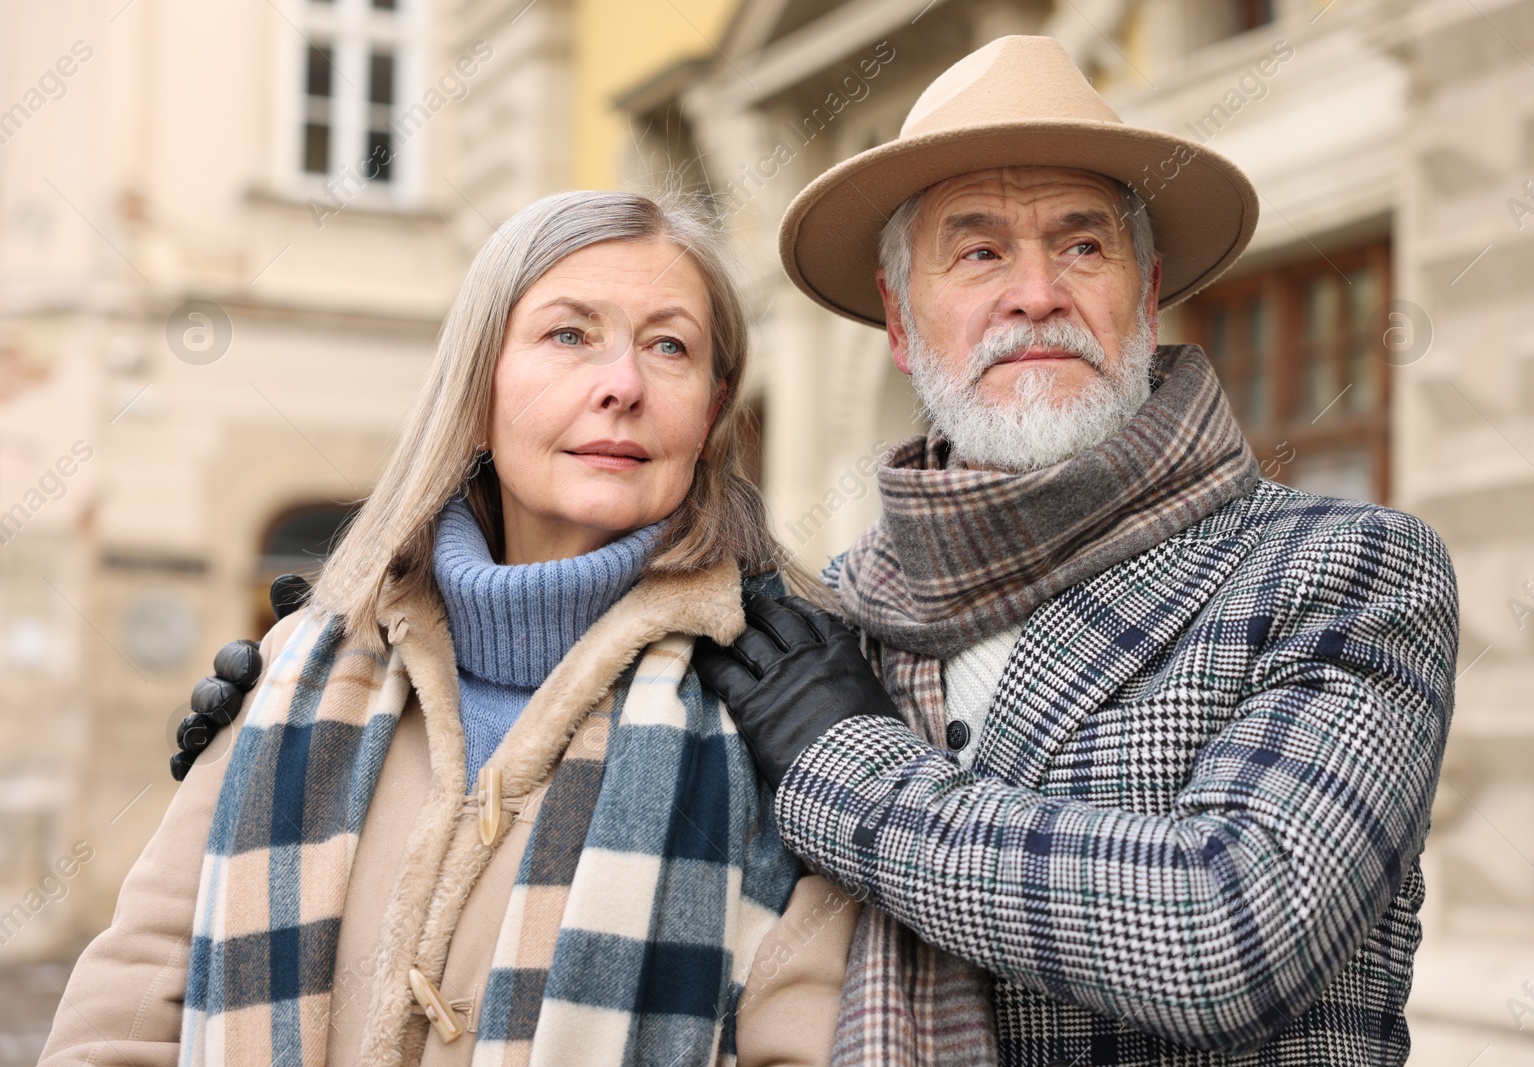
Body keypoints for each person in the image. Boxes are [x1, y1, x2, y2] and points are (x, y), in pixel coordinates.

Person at [692, 36, 1460, 1066]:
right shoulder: (829, 616)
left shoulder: (1346, 567)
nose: (1037, 292)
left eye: (1082, 245)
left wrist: (847, 769)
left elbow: (1224, 930)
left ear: (1143, 297)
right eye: (977, 252)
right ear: (899, 320)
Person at [41, 190, 858, 1067]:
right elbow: (125, 1013)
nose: (622, 385)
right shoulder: (297, 669)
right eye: (570, 335)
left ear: (710, 410)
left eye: (669, 346)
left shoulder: (781, 701)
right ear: (476, 391)